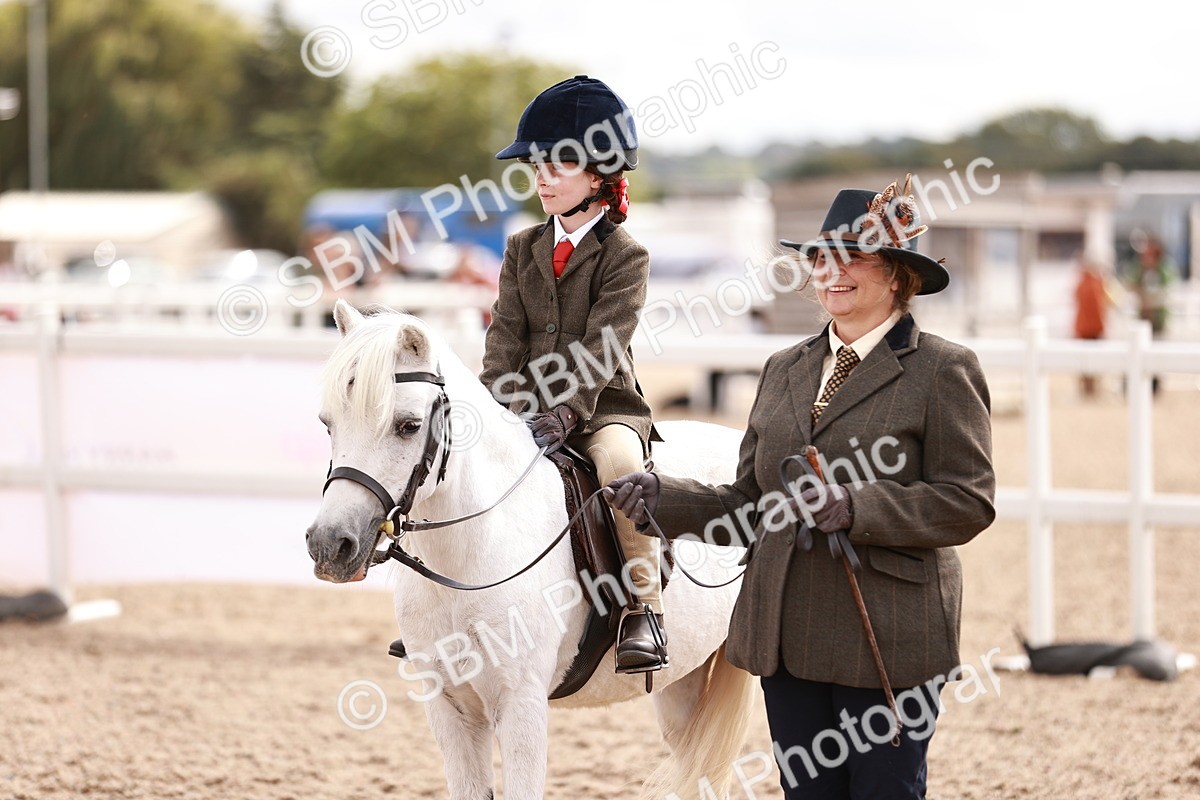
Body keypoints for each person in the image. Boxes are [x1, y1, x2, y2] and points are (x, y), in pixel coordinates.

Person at [606, 177, 996, 798]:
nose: (830, 272)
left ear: (898, 275)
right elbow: (747, 505)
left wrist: (857, 507)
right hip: (787, 631)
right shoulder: (784, 368)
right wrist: (663, 498)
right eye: (820, 258)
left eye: (853, 259)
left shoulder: (942, 370)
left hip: (886, 633)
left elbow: (967, 501)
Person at [480, 76, 668, 674]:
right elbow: (505, 334)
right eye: (537, 166)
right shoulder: (520, 248)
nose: (542, 178)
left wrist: (565, 409)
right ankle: (458, 611)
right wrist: (495, 405)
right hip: (524, 405)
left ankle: (644, 605)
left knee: (619, 467)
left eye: (558, 164)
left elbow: (605, 341)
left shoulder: (625, 255)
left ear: (599, 177)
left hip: (602, 404)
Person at [1072, 254, 1113, 397]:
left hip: (1083, 327)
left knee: (1083, 359)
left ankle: (1087, 387)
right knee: (1095, 358)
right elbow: (1102, 304)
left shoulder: (1081, 283)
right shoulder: (1097, 284)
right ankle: (1092, 387)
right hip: (1094, 327)